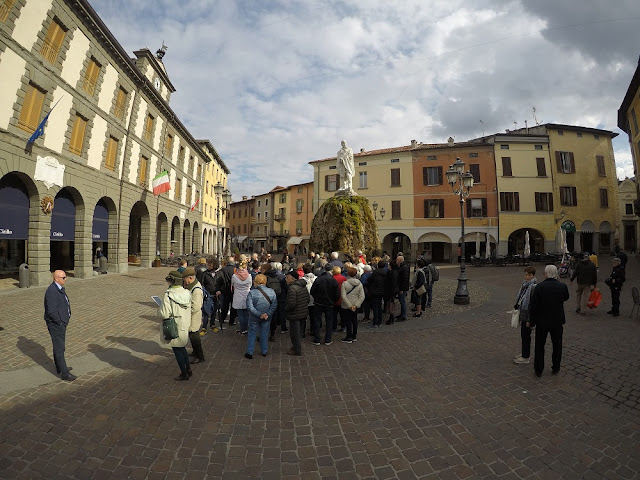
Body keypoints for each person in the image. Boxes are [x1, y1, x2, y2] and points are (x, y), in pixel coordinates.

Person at [529, 265, 570, 377]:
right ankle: (556, 367)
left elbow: (534, 306)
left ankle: (539, 369)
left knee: (539, 345)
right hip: (557, 320)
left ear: (546, 273)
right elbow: (566, 297)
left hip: (542, 320)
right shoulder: (562, 286)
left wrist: (531, 321)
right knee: (557, 345)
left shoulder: (540, 287)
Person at [159, 270, 192, 381]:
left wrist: (159, 310)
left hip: (174, 325)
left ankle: (184, 372)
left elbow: (165, 313)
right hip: (185, 323)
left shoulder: (168, 294)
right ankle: (188, 369)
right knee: (182, 348)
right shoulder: (187, 292)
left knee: (177, 350)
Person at [44, 270, 75, 381]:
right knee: (59, 347)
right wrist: (60, 322)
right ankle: (64, 373)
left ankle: (60, 367)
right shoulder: (51, 291)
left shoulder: (58, 288)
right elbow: (51, 311)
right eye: (63, 277)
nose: (65, 279)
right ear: (56, 278)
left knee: (59, 346)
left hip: (61, 322)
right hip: (56, 324)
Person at [245, 274, 277, 359]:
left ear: (255, 282)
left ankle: (250, 352)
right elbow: (274, 305)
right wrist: (267, 314)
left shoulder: (252, 293)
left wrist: (259, 314)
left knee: (252, 333)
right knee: (264, 333)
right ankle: (264, 351)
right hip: (267, 317)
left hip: (254, 317)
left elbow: (249, 307)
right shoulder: (272, 291)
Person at [310, 263, 340, 345]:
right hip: (329, 304)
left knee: (317, 321)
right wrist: (333, 301)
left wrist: (316, 297)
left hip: (318, 303)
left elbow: (312, 291)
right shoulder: (333, 280)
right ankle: (328, 339)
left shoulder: (319, 279)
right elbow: (337, 294)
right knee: (329, 321)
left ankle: (317, 338)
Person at [513, 266, 537, 365]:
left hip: (528, 313)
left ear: (533, 275)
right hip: (523, 310)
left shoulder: (533, 286)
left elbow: (532, 303)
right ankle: (524, 353)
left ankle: (526, 356)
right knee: (523, 334)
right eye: (526, 274)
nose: (527, 277)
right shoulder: (525, 284)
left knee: (526, 334)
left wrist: (530, 318)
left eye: (529, 275)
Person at [284, 270, 310, 355]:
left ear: (292, 278)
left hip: (295, 314)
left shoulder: (292, 288)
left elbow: (291, 303)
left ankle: (297, 349)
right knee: (299, 332)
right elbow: (307, 299)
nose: (286, 279)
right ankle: (296, 346)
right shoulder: (303, 286)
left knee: (295, 333)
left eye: (287, 278)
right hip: (303, 312)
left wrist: (286, 309)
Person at [182, 268, 204, 365]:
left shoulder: (196, 289)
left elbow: (196, 307)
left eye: (185, 279)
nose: (184, 281)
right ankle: (195, 352)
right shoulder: (191, 286)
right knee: (192, 336)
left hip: (194, 317)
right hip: (191, 316)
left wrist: (184, 309)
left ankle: (200, 356)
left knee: (194, 337)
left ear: (190, 278)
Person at [340, 267, 365, 343]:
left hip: (347, 305)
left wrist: (349, 305)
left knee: (348, 321)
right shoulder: (359, 284)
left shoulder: (345, 283)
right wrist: (356, 305)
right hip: (355, 304)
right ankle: (354, 335)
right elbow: (362, 296)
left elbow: (343, 296)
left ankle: (349, 336)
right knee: (354, 320)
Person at [231, 261, 252, 334]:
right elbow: (250, 285)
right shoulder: (249, 276)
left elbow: (233, 285)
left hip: (238, 295)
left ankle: (242, 329)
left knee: (240, 314)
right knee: (246, 314)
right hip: (247, 295)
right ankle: (246, 328)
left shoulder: (234, 276)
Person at [367, 260, 387, 328]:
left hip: (375, 291)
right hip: (382, 291)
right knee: (379, 306)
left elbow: (369, 280)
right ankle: (379, 321)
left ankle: (375, 322)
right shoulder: (385, 272)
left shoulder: (375, 272)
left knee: (375, 307)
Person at [394, 255, 410, 322]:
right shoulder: (401, 267)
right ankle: (402, 314)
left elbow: (404, 279)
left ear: (400, 261)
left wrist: (401, 289)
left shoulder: (404, 268)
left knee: (402, 301)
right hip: (401, 287)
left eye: (397, 260)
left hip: (402, 288)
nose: (396, 261)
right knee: (401, 301)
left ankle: (403, 315)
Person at [302, 263, 316, 338]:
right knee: (313, 317)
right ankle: (313, 331)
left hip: (304, 300)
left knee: (303, 317)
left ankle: (302, 332)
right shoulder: (316, 278)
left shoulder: (302, 280)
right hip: (314, 300)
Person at [332, 266, 347, 332]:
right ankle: (343, 326)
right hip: (342, 298)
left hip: (334, 298)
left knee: (334, 315)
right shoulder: (344, 278)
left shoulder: (332, 278)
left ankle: (334, 328)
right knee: (342, 314)